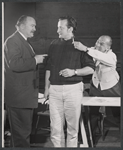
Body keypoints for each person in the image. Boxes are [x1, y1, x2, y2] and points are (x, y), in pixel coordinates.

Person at [44, 16, 95, 147]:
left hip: (73, 90)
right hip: (54, 90)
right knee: (55, 129)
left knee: (72, 130)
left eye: (60, 27)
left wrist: (74, 72)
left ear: (70, 28)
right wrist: (46, 89)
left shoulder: (80, 45)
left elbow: (91, 69)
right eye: (58, 27)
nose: (57, 30)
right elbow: (48, 68)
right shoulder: (53, 44)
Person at [4, 15, 47, 147]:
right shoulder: (12, 41)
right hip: (19, 98)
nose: (35, 28)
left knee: (23, 134)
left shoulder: (23, 41)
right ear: (22, 26)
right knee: (21, 135)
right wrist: (35, 60)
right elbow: (15, 64)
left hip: (24, 97)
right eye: (32, 25)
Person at [73, 35, 121, 117]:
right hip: (95, 86)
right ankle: (94, 129)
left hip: (111, 86)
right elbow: (87, 51)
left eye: (101, 44)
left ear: (108, 47)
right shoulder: (92, 51)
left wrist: (86, 49)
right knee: (93, 112)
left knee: (117, 112)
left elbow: (100, 56)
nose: (97, 45)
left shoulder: (111, 56)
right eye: (97, 42)